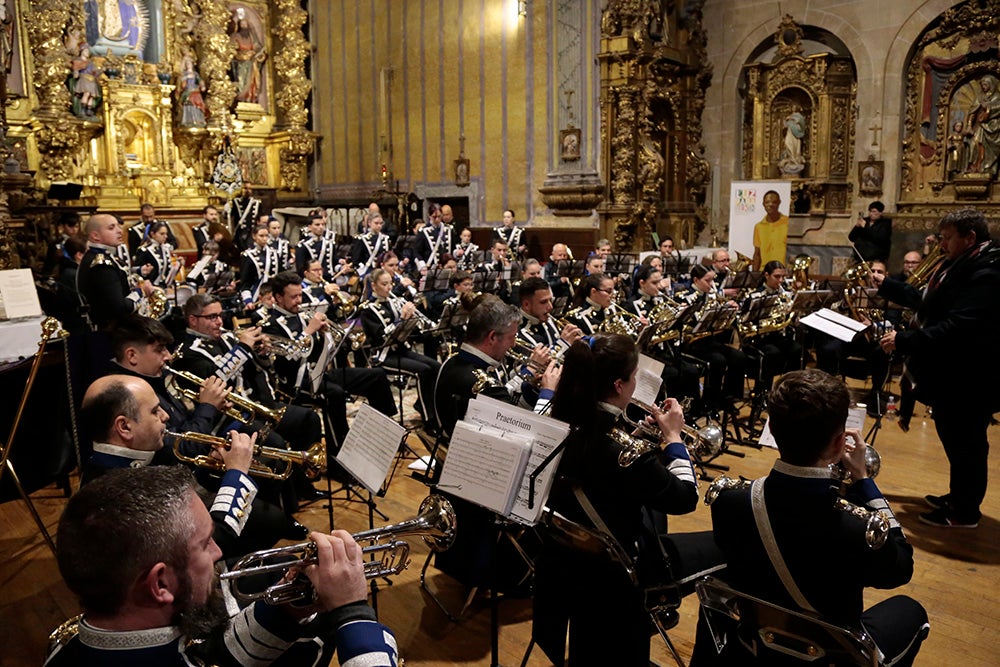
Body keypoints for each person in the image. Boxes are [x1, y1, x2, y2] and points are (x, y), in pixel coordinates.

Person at [47, 465, 398, 666]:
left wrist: (285, 610)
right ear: (160, 585)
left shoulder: (72, 644)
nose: (218, 552)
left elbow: (216, 658)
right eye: (205, 543)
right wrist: (354, 613)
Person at [702, 368, 928, 666]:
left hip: (757, 646)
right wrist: (864, 481)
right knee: (912, 611)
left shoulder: (727, 499)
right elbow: (902, 568)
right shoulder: (858, 528)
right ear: (838, 445)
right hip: (830, 656)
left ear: (773, 428)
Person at [537, 333, 724, 666]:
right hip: (623, 567)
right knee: (731, 545)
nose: (638, 384)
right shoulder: (624, 452)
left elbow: (600, 461)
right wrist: (674, 438)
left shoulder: (558, 420)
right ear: (620, 385)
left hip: (573, 560)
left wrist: (636, 436)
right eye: (636, 377)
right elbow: (685, 498)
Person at [878, 208, 1000, 527]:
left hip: (972, 375)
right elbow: (928, 302)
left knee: (968, 443)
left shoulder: (986, 272)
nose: (941, 245)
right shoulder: (962, 264)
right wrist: (887, 284)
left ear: (970, 237)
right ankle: (959, 496)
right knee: (957, 439)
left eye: (947, 238)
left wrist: (904, 340)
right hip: (955, 372)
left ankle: (964, 512)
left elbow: (959, 327)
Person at [360, 269, 441, 431]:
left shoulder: (394, 301)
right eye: (384, 284)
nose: (389, 288)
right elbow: (380, 338)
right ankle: (429, 419)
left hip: (401, 350)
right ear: (373, 286)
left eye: (391, 283)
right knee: (423, 371)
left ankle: (426, 405)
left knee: (436, 366)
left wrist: (414, 320)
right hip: (382, 355)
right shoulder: (367, 309)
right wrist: (402, 320)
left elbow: (411, 332)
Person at [76, 213, 154, 331]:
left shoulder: (102, 256)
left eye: (118, 226)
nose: (119, 231)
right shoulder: (101, 265)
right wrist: (141, 291)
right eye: (111, 228)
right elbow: (119, 308)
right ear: (95, 236)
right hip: (108, 333)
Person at [239, 224, 281, 308]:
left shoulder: (274, 253)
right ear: (254, 236)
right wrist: (248, 300)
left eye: (266, 236)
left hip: (273, 296)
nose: (264, 239)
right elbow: (245, 282)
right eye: (261, 236)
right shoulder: (248, 255)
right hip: (257, 296)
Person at [966, 74, 1000, 176]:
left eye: (985, 85)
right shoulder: (980, 97)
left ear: (991, 85)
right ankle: (974, 167)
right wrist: (969, 125)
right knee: (974, 144)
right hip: (979, 126)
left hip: (993, 127)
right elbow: (972, 111)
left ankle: (987, 168)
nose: (983, 87)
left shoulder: (997, 96)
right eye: (982, 85)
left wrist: (988, 108)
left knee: (991, 149)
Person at [752, 190, 788, 271]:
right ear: (763, 204)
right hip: (764, 272)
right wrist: (754, 275)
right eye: (767, 202)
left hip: (782, 272)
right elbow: (757, 254)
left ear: (779, 203)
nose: (770, 205)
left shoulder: (788, 223)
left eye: (774, 202)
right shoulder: (759, 227)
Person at [350, 212, 391, 278]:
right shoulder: (362, 239)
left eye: (381, 223)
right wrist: (361, 270)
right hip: (368, 271)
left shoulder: (385, 238)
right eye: (376, 223)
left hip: (382, 271)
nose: (379, 226)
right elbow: (356, 260)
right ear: (369, 223)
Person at [414, 203, 454, 270]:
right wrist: (422, 266)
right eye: (434, 217)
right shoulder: (423, 231)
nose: (437, 219)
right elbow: (417, 252)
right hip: (431, 268)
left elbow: (453, 247)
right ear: (429, 216)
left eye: (439, 216)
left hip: (447, 267)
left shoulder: (449, 229)